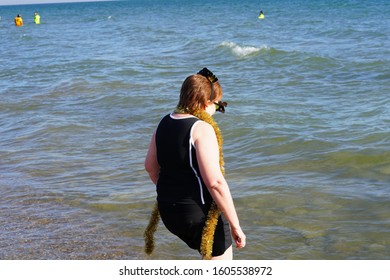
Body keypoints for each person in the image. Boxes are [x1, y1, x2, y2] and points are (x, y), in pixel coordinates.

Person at [144, 68, 246, 260]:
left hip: (169, 212)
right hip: (198, 215)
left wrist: (172, 192)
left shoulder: (163, 123)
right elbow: (215, 183)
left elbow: (150, 167)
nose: (216, 110)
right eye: (217, 105)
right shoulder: (201, 129)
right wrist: (235, 225)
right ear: (205, 102)